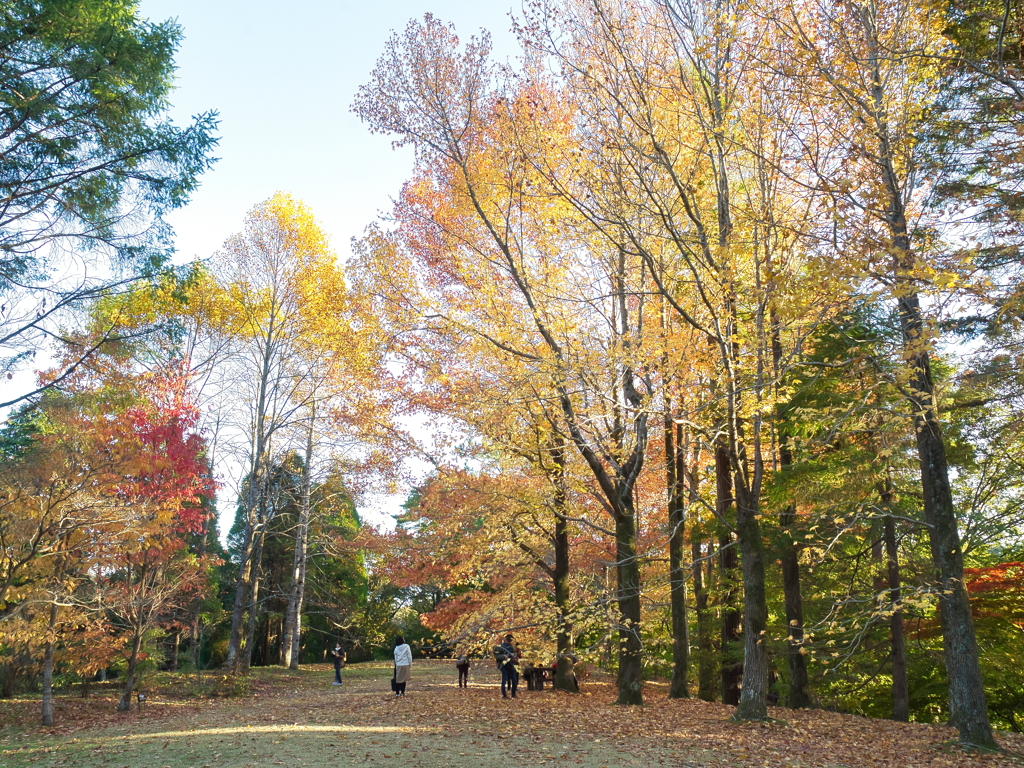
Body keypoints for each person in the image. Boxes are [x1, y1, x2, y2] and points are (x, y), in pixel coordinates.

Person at [493, 634, 518, 698]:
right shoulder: (499, 647)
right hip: (503, 665)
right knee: (504, 680)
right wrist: (503, 656)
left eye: (510, 641)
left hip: (511, 664)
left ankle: (513, 694)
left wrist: (514, 657)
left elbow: (515, 654)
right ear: (505, 640)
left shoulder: (512, 647)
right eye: (508, 640)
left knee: (514, 680)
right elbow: (496, 656)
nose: (508, 642)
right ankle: (504, 695)